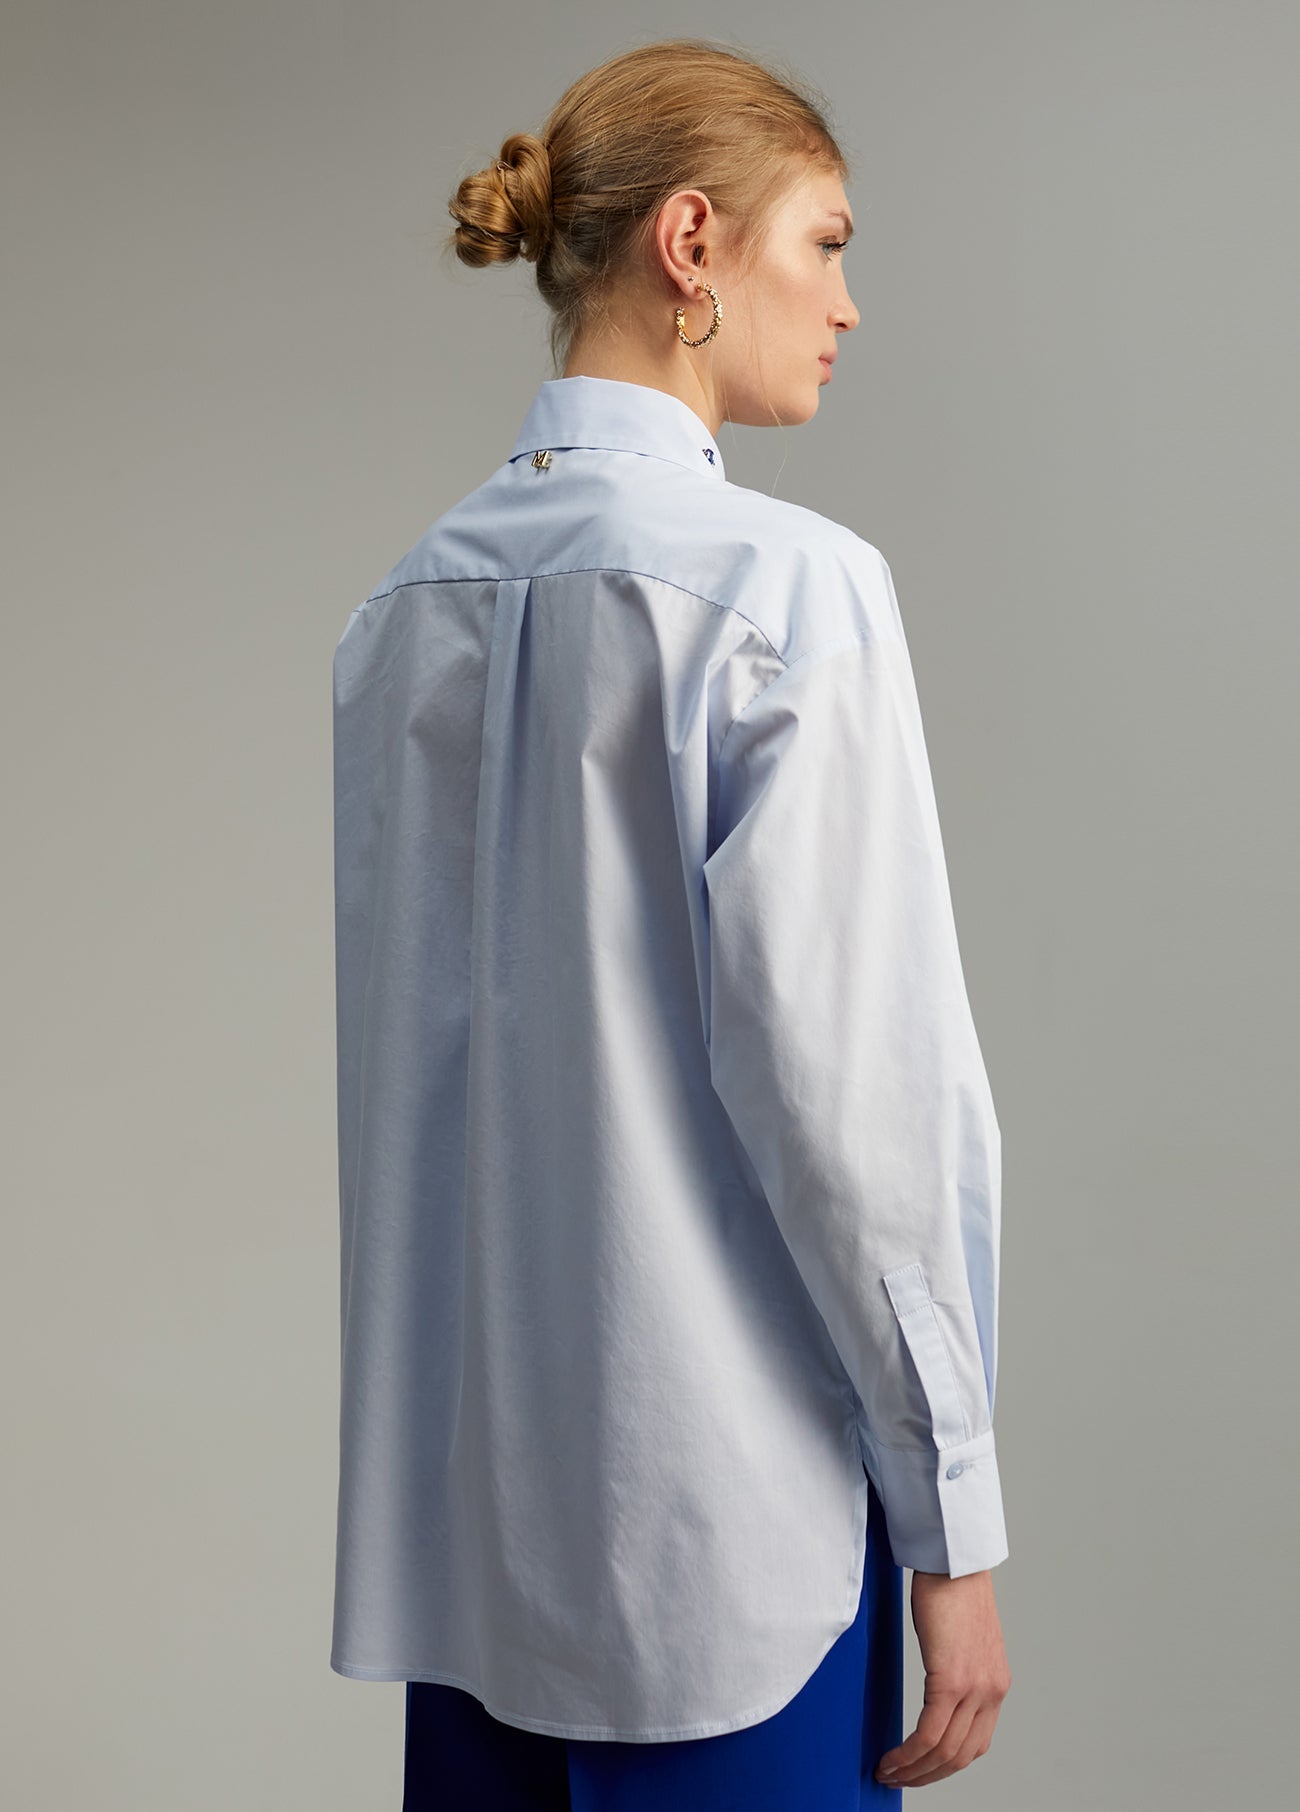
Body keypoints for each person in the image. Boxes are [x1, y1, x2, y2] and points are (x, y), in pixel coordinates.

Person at [331, 36, 1012, 1809]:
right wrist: (953, 1522)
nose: (848, 303)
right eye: (827, 244)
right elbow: (860, 1114)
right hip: (735, 1573)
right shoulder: (791, 595)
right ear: (693, 243)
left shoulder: (401, 614)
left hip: (471, 1592)